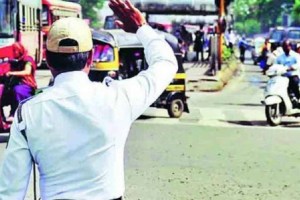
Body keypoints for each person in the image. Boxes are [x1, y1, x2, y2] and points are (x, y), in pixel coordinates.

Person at [0, 0, 178, 199]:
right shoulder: (119, 98)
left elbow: (11, 193)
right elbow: (166, 63)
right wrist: (142, 29)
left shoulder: (28, 113)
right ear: (91, 57)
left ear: (48, 60)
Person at [3, 42, 37, 122]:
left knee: (17, 90)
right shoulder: (16, 61)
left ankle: (17, 113)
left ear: (21, 50)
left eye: (16, 50)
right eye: (13, 50)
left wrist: (11, 73)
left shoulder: (28, 59)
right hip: (17, 83)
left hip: (27, 85)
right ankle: (12, 112)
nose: (15, 53)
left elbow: (27, 72)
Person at [275, 39, 300, 108]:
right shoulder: (280, 57)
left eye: (287, 46)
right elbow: (275, 65)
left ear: (290, 46)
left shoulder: (295, 56)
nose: (286, 48)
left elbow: (298, 64)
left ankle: (296, 99)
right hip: (282, 76)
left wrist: (291, 67)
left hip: (293, 75)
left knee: (294, 83)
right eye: (284, 46)